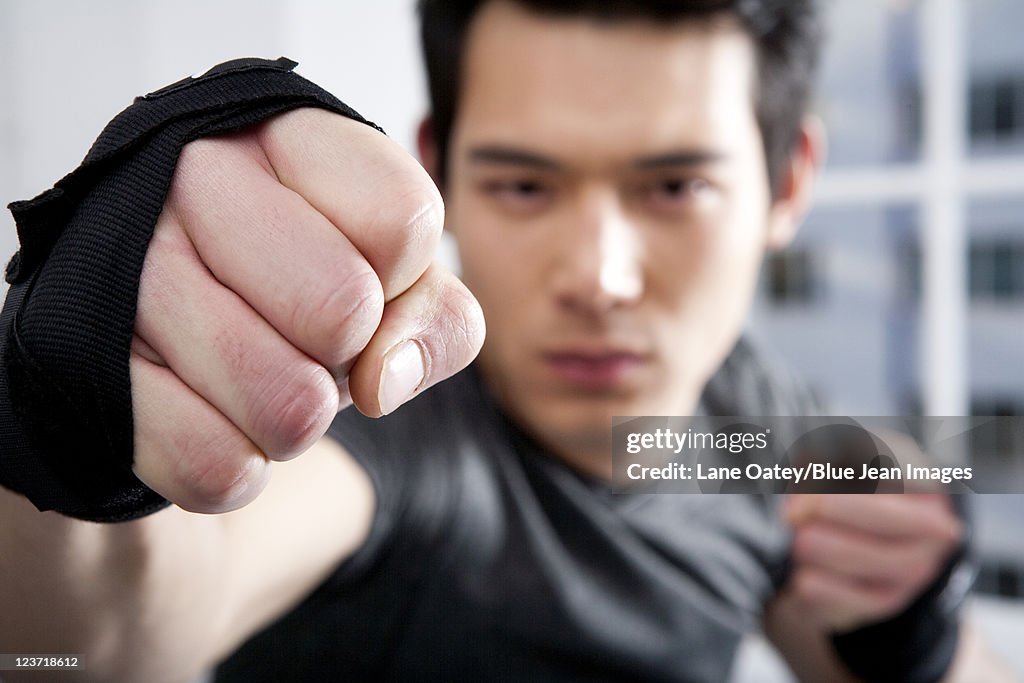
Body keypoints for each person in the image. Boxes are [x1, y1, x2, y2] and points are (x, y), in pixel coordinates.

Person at [0, 1, 1007, 681]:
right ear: (437, 166)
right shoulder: (388, 430)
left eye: (674, 187)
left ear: (787, 184)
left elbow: (817, 610)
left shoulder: (742, 417)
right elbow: (105, 636)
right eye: (525, 185)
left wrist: (910, 627)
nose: (599, 278)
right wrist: (67, 416)